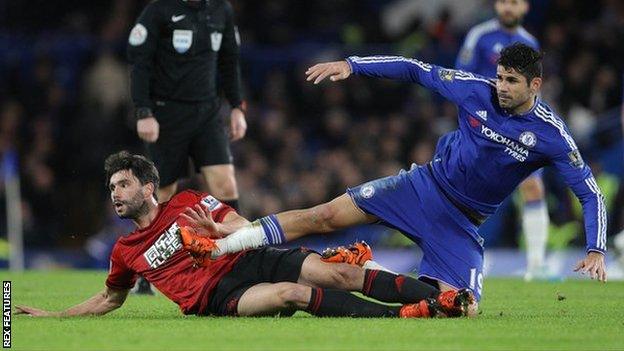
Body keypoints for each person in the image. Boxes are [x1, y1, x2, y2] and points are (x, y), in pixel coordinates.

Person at [183, 44, 608, 310]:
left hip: (460, 223)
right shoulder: (473, 89)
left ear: (535, 85)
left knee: (460, 307)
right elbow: (413, 68)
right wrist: (353, 65)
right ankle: (226, 245)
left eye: (511, 82)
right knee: (324, 216)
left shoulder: (551, 136)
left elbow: (589, 192)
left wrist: (595, 248)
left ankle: (365, 265)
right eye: (499, 77)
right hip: (421, 187)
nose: (500, 87)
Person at [15, 151, 475, 318]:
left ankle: (450, 298)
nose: (115, 194)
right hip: (216, 297)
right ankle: (404, 316)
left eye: (123, 184)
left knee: (336, 273)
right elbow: (109, 299)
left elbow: (239, 225)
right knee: (291, 293)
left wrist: (218, 232)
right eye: (111, 188)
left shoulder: (187, 203)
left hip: (246, 258)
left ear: (148, 187)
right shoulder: (124, 250)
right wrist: (55, 318)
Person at [127, 0, 246, 294]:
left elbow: (230, 61)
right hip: (167, 114)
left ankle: (239, 258)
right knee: (162, 193)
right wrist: (143, 111)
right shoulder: (158, 10)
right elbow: (139, 62)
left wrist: (236, 107)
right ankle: (147, 272)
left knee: (226, 184)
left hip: (207, 113)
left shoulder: (222, 10)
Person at [455, 0, 550, 281]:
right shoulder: (479, 36)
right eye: (504, 2)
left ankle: (536, 264)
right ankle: (455, 258)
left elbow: (535, 91)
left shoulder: (529, 43)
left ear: (525, 8)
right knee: (465, 194)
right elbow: (462, 80)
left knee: (532, 187)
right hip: (483, 129)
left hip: (518, 129)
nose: (508, 8)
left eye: (514, 2)